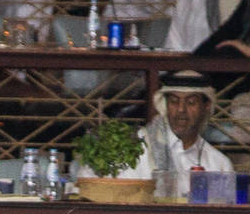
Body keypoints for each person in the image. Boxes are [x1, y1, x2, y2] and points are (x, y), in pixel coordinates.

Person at [75, 72, 235, 201]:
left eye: (191, 102)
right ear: (165, 105)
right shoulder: (133, 146)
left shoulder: (218, 164)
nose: (181, 110)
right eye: (174, 101)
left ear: (206, 106)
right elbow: (88, 184)